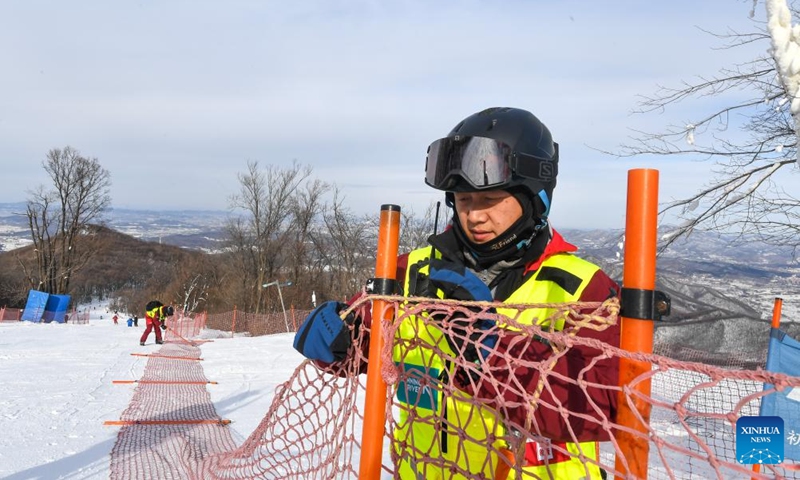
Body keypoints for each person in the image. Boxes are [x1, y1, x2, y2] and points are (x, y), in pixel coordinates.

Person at [293, 107, 621, 479]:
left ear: (535, 200)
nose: (475, 216)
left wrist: (488, 349)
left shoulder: (581, 289)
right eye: (463, 201)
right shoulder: (411, 271)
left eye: (490, 200)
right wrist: (338, 341)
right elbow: (362, 347)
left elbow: (596, 408)